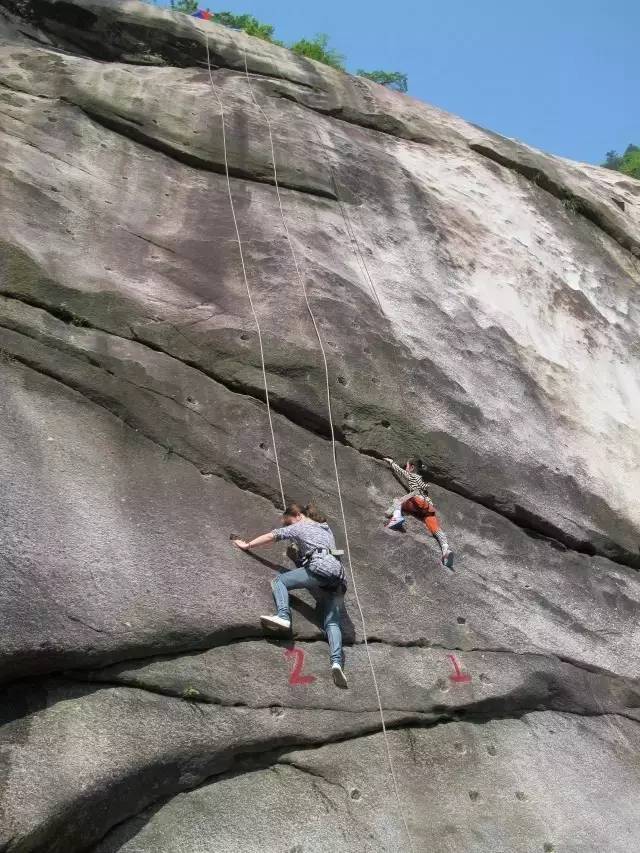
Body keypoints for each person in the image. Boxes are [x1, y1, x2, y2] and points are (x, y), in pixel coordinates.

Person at [232, 503, 349, 688]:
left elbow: (273, 536)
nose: (289, 527)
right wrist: (301, 556)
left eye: (289, 523)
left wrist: (247, 545)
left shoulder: (300, 525)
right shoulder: (326, 528)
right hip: (339, 577)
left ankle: (283, 616)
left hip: (321, 569)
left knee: (280, 581)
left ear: (298, 515)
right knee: (332, 623)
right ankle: (336, 663)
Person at [383, 456, 455, 569]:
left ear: (411, 467)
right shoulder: (421, 480)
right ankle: (446, 550)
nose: (405, 469)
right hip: (428, 508)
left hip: (417, 501)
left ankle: (397, 517)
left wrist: (391, 462)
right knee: (436, 530)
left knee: (397, 501)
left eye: (406, 466)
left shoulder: (412, 475)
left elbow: (400, 472)